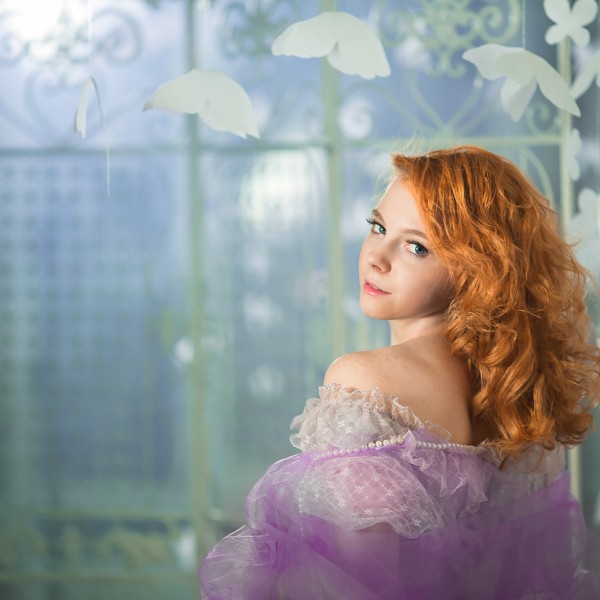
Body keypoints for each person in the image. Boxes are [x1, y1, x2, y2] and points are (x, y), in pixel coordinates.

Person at [199, 146, 600, 599]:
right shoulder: (519, 393)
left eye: (416, 247)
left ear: (478, 271)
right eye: (378, 226)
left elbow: (352, 585)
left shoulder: (364, 381)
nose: (377, 257)